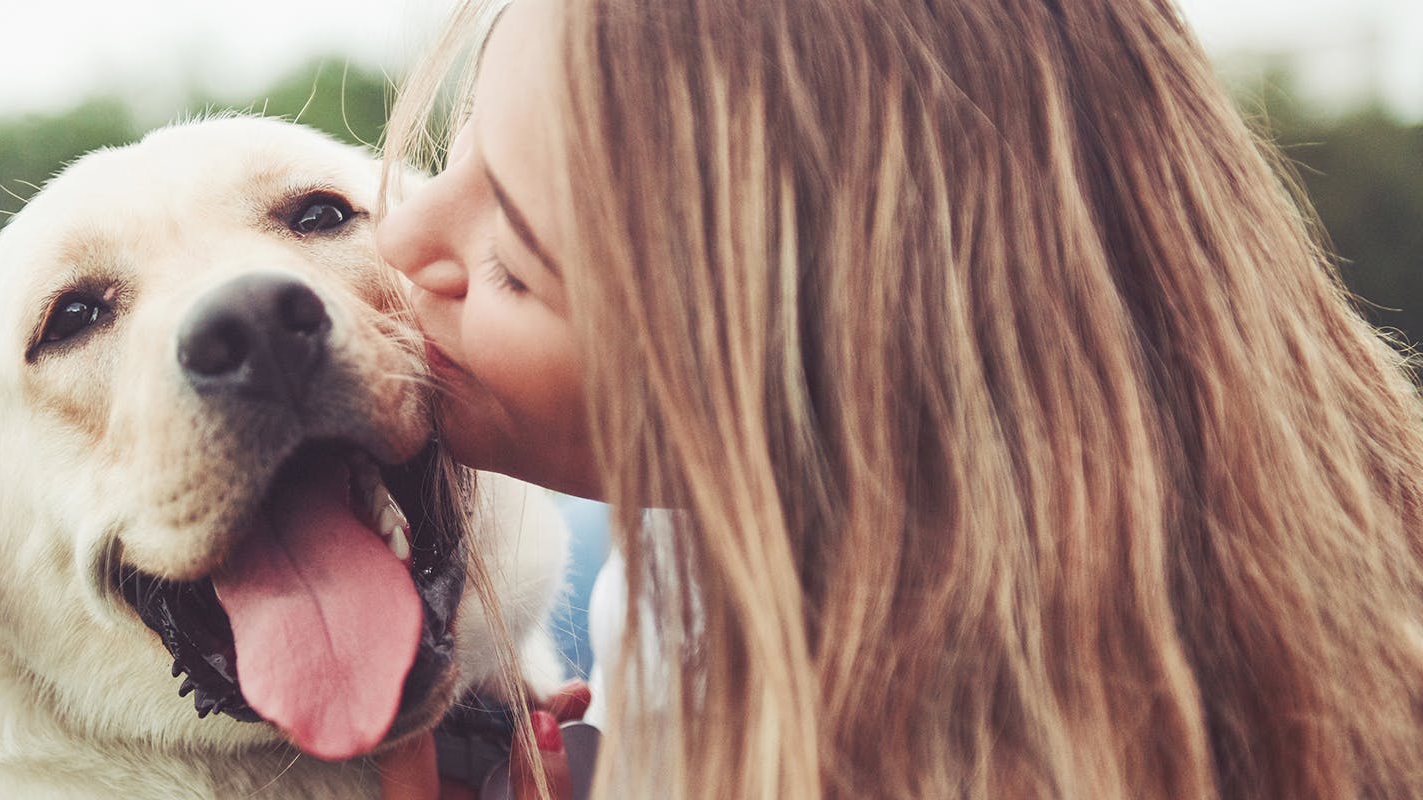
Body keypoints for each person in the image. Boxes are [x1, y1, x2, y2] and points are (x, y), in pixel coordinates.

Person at [371, 0, 1423, 797]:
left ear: (789, 384)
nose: (401, 243)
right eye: (457, 148)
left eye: (513, 259)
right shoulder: (693, 575)